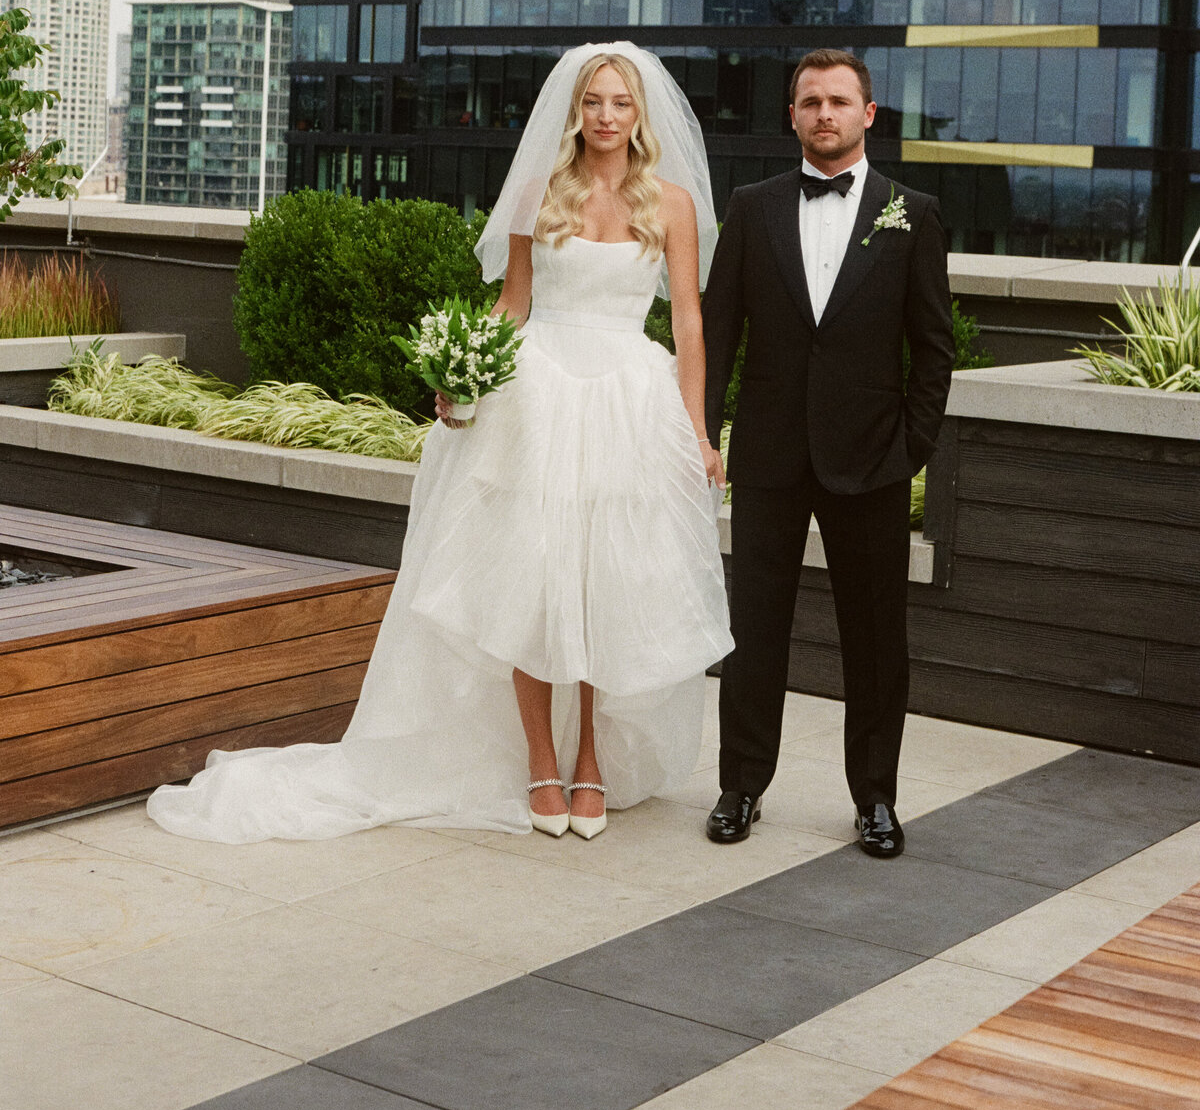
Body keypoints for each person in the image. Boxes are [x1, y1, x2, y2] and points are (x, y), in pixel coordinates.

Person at [146, 43, 732, 845]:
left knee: (604, 583)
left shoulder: (669, 202)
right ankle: (539, 758)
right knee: (530, 576)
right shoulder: (538, 193)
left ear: (640, 115)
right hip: (539, 396)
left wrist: (699, 430)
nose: (605, 117)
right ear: (574, 111)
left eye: (619, 104)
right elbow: (512, 307)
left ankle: (590, 756)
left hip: (631, 401)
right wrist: (465, 376)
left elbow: (691, 322)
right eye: (593, 102)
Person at [701, 48, 954, 859]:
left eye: (839, 101)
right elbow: (718, 333)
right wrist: (708, 434)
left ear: (868, 114)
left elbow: (934, 348)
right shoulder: (751, 206)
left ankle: (875, 798)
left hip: (871, 461)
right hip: (771, 456)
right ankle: (740, 787)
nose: (824, 114)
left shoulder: (912, 213)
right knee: (754, 632)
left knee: (877, 640)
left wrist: (909, 448)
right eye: (810, 101)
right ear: (792, 115)